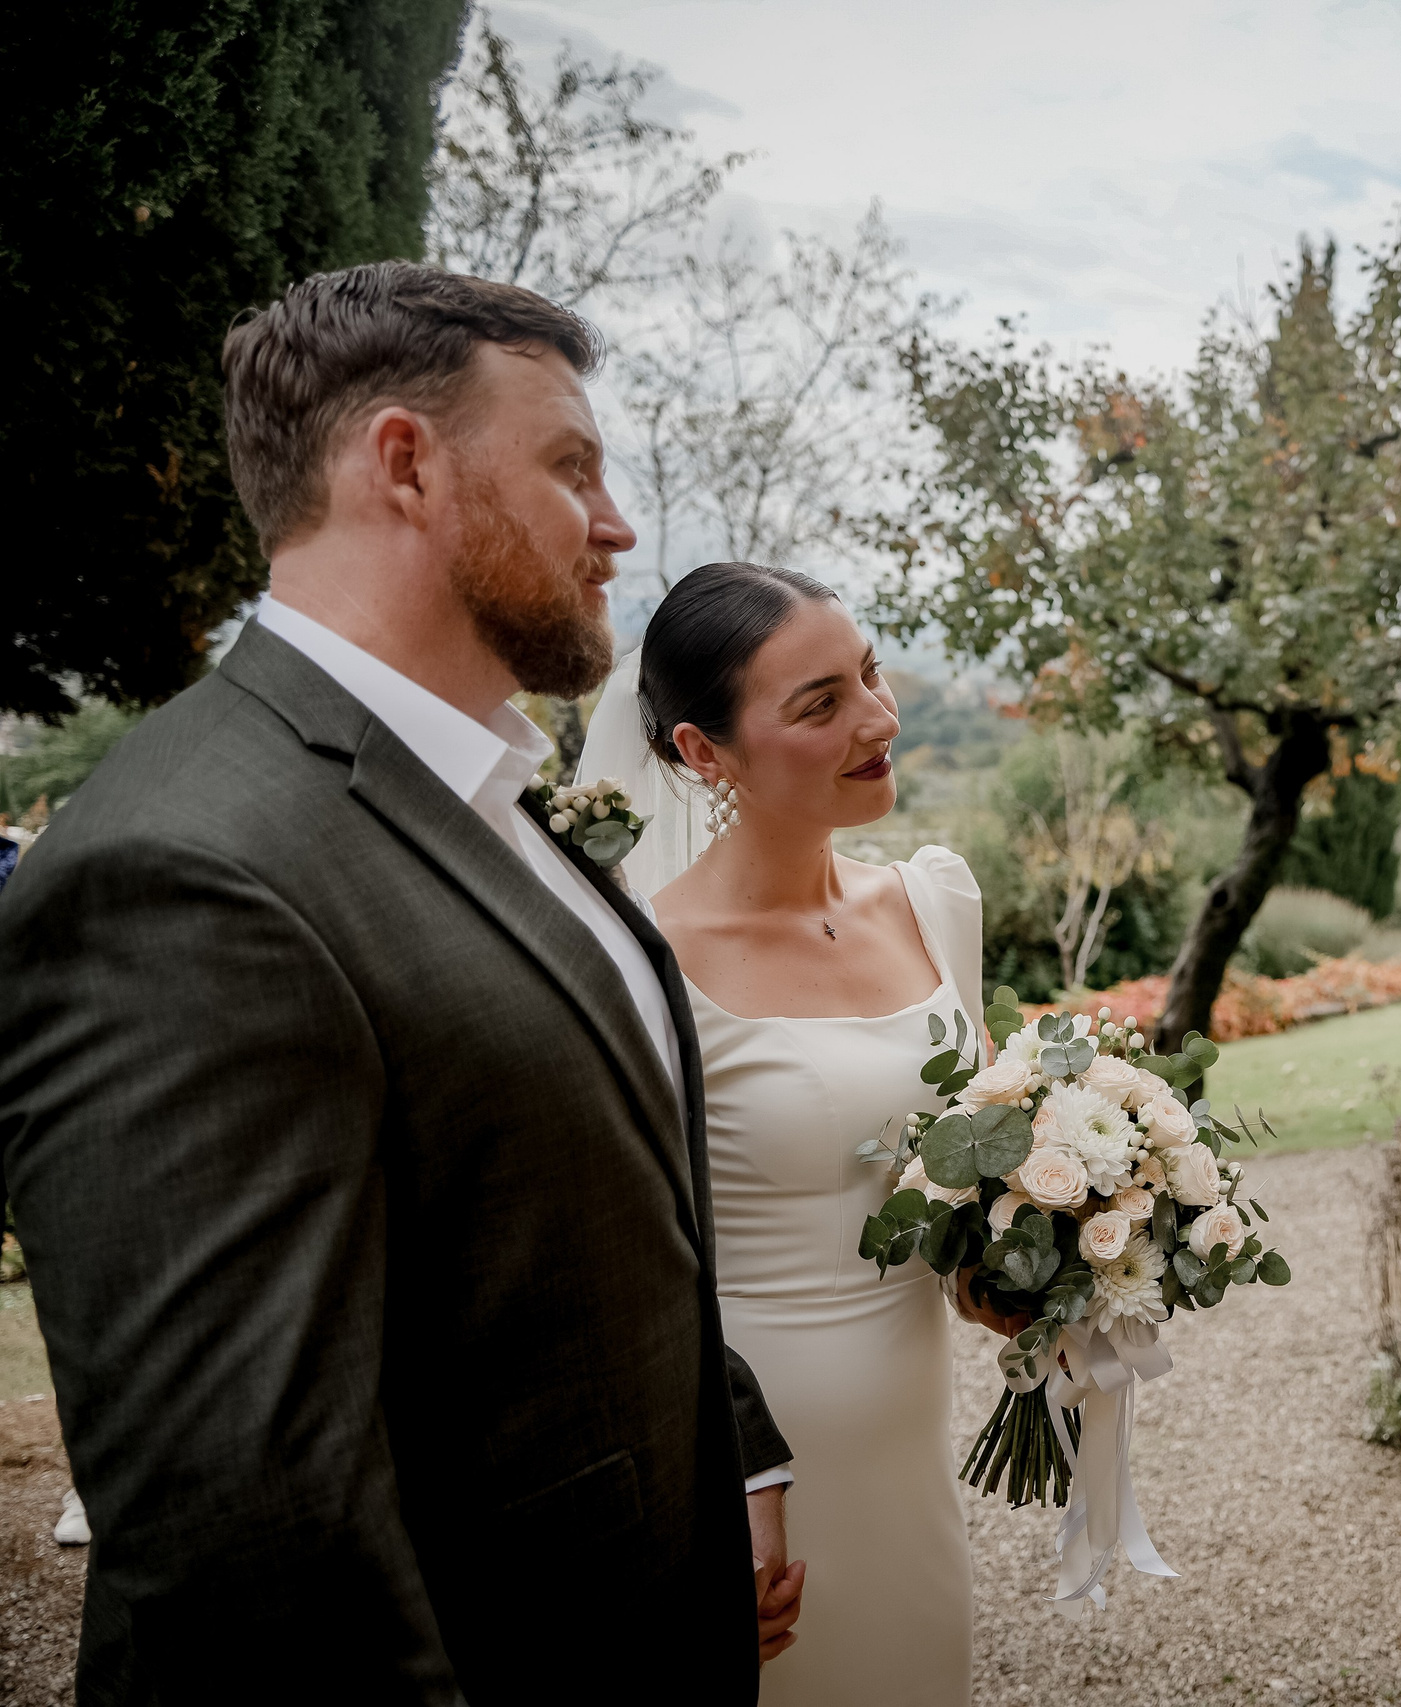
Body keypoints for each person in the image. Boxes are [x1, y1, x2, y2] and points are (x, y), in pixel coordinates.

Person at [0, 262, 804, 1702]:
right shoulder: (183, 873)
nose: (618, 526)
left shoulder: (491, 783)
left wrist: (726, 1454)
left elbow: (593, 1205)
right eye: (571, 467)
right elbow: (250, 1542)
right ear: (406, 463)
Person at [574, 561, 988, 1704]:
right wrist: (731, 1488)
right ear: (702, 752)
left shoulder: (934, 901)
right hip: (748, 1476)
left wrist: (1008, 1276)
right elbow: (618, 1269)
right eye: (820, 705)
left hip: (910, 1465)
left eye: (870, 675)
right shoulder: (639, 963)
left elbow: (965, 1177)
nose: (878, 720)